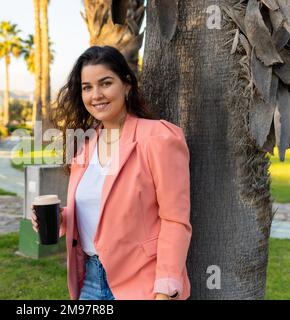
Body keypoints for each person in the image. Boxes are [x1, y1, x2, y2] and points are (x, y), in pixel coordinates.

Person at [31, 45, 192, 300]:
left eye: (105, 83)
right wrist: (59, 220)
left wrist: (165, 290)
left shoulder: (158, 137)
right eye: (87, 87)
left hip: (144, 285)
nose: (96, 95)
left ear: (126, 85)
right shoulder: (84, 143)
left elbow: (175, 220)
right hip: (91, 282)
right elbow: (98, 209)